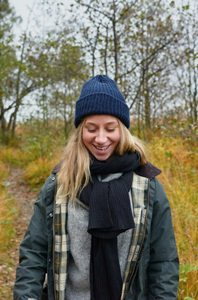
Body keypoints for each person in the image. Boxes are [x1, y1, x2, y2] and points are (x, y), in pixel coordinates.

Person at [14, 75, 179, 300]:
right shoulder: (60, 184)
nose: (101, 139)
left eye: (110, 128)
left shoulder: (147, 186)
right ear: (81, 131)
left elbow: (163, 262)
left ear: (122, 130)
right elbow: (34, 254)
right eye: (91, 128)